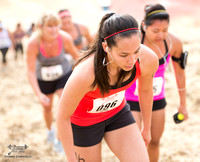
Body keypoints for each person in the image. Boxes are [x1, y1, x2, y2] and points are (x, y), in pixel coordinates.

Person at [56, 13, 159, 162]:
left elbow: (145, 90)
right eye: (123, 54)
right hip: (84, 123)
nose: (131, 60)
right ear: (106, 47)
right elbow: (62, 116)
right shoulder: (85, 74)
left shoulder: (147, 59)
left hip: (117, 114)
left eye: (136, 51)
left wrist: (146, 128)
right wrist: (71, 158)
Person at [125, 4, 189, 162]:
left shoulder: (173, 43)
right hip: (131, 99)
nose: (161, 35)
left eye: (165, 30)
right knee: (137, 145)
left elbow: (180, 73)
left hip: (157, 98)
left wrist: (183, 104)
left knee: (154, 142)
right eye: (156, 31)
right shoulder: (134, 43)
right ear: (144, 26)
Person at [26, 13, 78, 152]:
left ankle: (59, 140)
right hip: (43, 78)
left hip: (63, 75)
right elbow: (30, 71)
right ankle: (49, 131)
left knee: (63, 107)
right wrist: (38, 94)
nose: (54, 29)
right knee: (47, 107)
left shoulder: (65, 38)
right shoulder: (33, 43)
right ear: (40, 27)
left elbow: (78, 58)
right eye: (50, 26)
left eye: (56, 25)